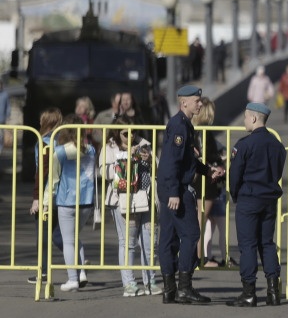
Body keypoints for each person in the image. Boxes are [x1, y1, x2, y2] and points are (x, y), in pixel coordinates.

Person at [156, 85, 225, 305]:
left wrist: (207, 171)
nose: (200, 104)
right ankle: (184, 288)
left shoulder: (184, 124)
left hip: (169, 188)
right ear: (183, 102)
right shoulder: (180, 126)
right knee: (191, 234)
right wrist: (174, 192)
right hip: (176, 189)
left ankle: (170, 289)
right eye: (197, 101)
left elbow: (188, 160)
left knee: (168, 238)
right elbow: (172, 162)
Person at [227, 103, 287, 307]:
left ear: (253, 118)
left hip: (249, 199)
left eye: (245, 117)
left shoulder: (244, 145)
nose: (244, 121)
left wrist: (235, 194)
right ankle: (273, 292)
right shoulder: (277, 145)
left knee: (248, 245)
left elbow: (235, 175)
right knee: (267, 244)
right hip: (269, 200)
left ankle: (249, 293)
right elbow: (277, 172)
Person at [100, 116, 159, 296]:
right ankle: (129, 284)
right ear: (117, 133)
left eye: (134, 131)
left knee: (150, 241)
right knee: (128, 242)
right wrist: (127, 157)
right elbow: (104, 172)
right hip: (122, 200)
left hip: (146, 198)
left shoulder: (144, 144)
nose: (131, 136)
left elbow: (158, 167)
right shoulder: (110, 148)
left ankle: (150, 281)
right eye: (126, 133)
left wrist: (150, 159)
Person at [52, 114, 97, 292]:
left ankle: (73, 278)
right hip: (86, 200)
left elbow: (54, 176)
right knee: (75, 237)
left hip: (66, 199)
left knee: (68, 241)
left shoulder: (60, 151)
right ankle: (81, 272)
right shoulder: (91, 150)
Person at [28, 108, 65, 286]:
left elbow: (41, 172)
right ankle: (78, 262)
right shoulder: (63, 141)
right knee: (58, 234)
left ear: (46, 123)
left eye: (42, 121)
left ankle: (42, 271)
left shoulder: (43, 143)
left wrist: (37, 198)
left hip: (47, 195)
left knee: (43, 235)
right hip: (63, 194)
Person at [192, 97, 227, 267]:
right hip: (205, 179)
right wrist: (220, 160)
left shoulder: (196, 131)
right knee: (201, 220)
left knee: (202, 220)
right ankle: (201, 259)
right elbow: (206, 154)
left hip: (201, 178)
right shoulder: (203, 132)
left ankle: (201, 257)